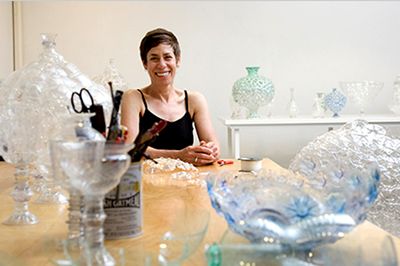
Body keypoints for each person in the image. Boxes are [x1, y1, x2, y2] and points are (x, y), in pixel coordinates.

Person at [121, 28, 220, 166]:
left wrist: (209, 151)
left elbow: (213, 144)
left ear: (177, 60)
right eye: (154, 58)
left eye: (167, 57)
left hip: (185, 181)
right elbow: (130, 149)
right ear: (145, 64)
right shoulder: (133, 98)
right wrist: (178, 156)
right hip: (146, 181)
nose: (162, 65)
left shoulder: (194, 100)